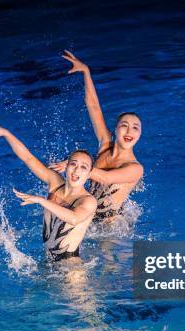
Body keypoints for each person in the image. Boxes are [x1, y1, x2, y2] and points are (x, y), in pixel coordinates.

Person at [0, 113, 97, 261]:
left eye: (83, 167)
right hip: (48, 260)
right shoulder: (55, 182)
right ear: (66, 166)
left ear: (88, 174)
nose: (76, 170)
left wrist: (41, 200)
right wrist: (6, 133)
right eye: (73, 164)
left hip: (71, 268)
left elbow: (74, 218)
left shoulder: (88, 201)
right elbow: (28, 158)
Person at [49, 50, 144, 223]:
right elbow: (93, 107)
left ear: (140, 134)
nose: (129, 131)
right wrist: (86, 71)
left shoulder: (135, 168)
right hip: (86, 213)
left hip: (111, 226)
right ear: (115, 129)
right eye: (124, 125)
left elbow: (106, 178)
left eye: (135, 128)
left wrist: (75, 166)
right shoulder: (105, 143)